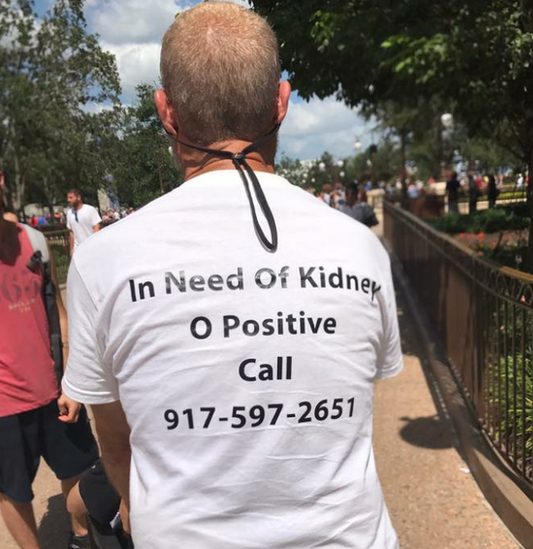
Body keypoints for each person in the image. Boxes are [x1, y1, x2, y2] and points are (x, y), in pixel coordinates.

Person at [62, 3, 403, 548]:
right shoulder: (361, 249)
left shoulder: (102, 260)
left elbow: (116, 442)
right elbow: (350, 411)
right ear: (281, 102)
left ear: (166, 112)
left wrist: (132, 504)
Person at [0, 196, 99, 549]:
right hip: (4, 404)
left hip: (53, 385)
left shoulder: (35, 242)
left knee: (79, 468)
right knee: (12, 490)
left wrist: (72, 377)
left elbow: (57, 310)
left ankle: (81, 537)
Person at [66, 189, 101, 254]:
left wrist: (95, 245)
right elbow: (71, 232)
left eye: (71, 198)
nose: (68, 200)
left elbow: (96, 228)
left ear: (78, 197)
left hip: (90, 247)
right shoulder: (69, 213)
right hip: (78, 249)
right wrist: (71, 249)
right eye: (68, 198)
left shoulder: (90, 210)